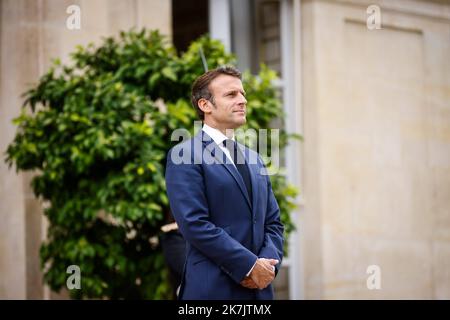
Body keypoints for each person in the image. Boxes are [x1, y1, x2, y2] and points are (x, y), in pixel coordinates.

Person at [165, 66, 284, 300]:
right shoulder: (184, 154)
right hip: (212, 290)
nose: (242, 100)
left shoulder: (255, 158)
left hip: (260, 293)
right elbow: (195, 224)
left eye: (243, 94)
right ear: (205, 105)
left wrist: (266, 268)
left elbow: (274, 223)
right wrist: (249, 266)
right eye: (231, 95)